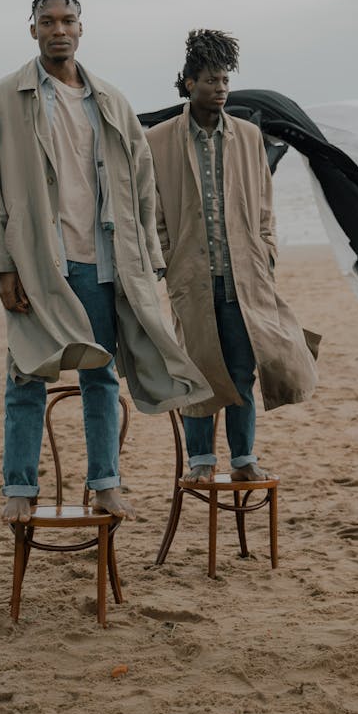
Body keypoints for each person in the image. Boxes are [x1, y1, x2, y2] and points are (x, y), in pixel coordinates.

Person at [0, 0, 212, 525]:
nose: (59, 29)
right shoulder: (3, 99)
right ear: (32, 29)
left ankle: (105, 483)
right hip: (39, 265)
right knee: (26, 374)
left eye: (69, 20)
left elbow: (143, 185)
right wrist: (0, 267)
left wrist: (148, 259)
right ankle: (18, 486)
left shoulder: (110, 100)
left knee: (102, 376)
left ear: (82, 28)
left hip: (105, 263)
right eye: (48, 21)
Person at [145, 29, 318, 483]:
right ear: (188, 83)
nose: (219, 88)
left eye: (224, 80)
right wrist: (168, 258)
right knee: (197, 370)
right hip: (192, 276)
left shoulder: (247, 135)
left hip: (245, 275)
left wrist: (267, 254)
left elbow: (265, 205)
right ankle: (201, 463)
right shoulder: (158, 140)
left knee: (244, 368)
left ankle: (243, 461)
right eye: (209, 80)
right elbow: (151, 209)